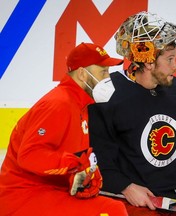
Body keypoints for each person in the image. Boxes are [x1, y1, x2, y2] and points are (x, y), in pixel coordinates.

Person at [88, 11, 176, 211]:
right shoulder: (108, 94)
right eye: (170, 59)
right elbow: (97, 153)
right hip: (125, 201)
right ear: (148, 62)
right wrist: (125, 187)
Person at [0, 42, 128, 216]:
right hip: (23, 197)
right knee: (111, 210)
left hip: (44, 192)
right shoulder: (59, 104)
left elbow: (62, 161)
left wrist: (84, 177)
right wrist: (75, 165)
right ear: (83, 74)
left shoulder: (79, 105)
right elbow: (29, 156)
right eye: (103, 71)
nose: (108, 78)